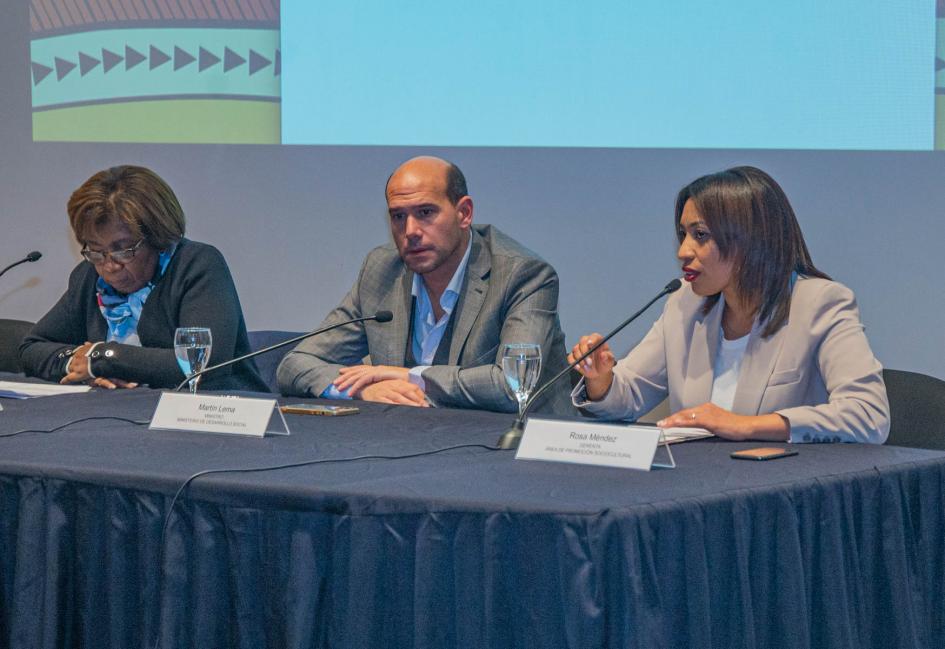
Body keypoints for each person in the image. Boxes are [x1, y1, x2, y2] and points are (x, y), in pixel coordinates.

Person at [569, 166, 889, 443]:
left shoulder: (820, 303)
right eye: (683, 234)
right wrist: (601, 380)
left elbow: (868, 415)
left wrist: (744, 426)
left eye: (701, 235)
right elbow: (631, 393)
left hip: (782, 493)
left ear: (751, 239)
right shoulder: (684, 302)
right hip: (696, 493)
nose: (683, 250)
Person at [277, 156, 572, 414]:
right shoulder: (382, 271)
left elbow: (512, 386)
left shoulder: (524, 275)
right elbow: (296, 364)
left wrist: (411, 377)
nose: (410, 231)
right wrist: (361, 389)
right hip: (413, 445)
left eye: (425, 213)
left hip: (512, 451)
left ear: (464, 213)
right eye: (398, 216)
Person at [19, 165, 268, 392]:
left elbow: (203, 364)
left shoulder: (196, 265)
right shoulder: (88, 277)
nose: (109, 266)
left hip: (218, 416)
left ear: (158, 238)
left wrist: (103, 357)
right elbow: (31, 347)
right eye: (96, 250)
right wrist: (85, 367)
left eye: (123, 250)